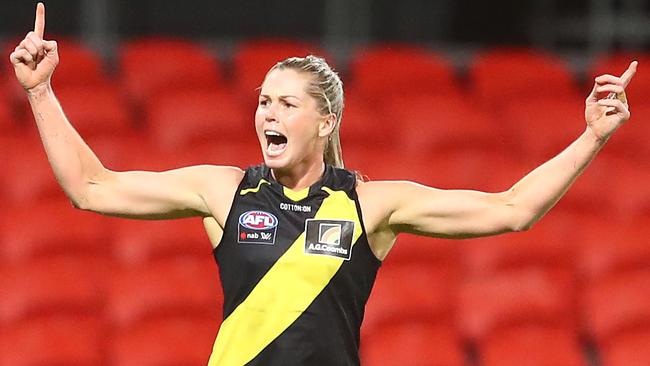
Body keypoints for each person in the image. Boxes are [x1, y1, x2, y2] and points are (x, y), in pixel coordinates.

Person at [10, 3, 637, 366]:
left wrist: (592, 137)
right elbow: (90, 188)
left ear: (326, 119)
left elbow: (512, 209)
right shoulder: (224, 192)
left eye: (286, 104)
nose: (267, 116)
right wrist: (40, 91)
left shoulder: (372, 204)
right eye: (262, 102)